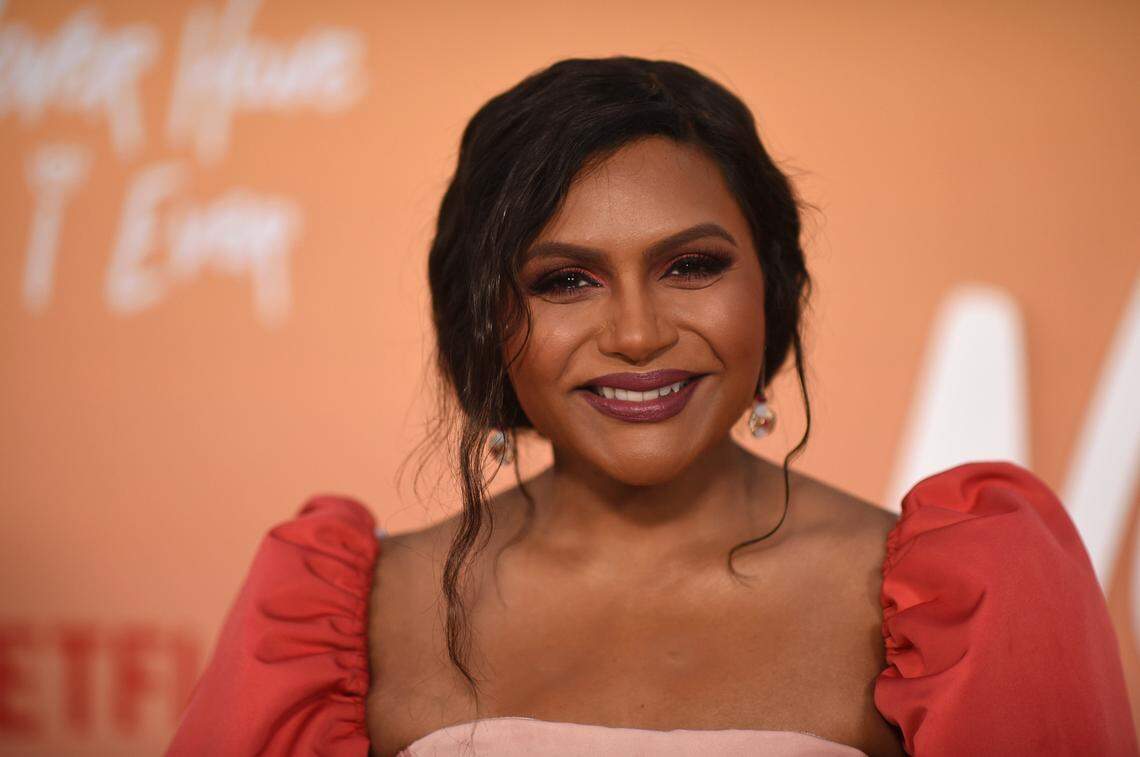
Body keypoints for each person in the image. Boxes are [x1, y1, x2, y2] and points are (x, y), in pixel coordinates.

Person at [166, 56, 1137, 756]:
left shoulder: (973, 601)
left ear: (775, 287)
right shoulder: (334, 617)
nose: (636, 333)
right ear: (485, 323)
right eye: (565, 281)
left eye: (690, 266)